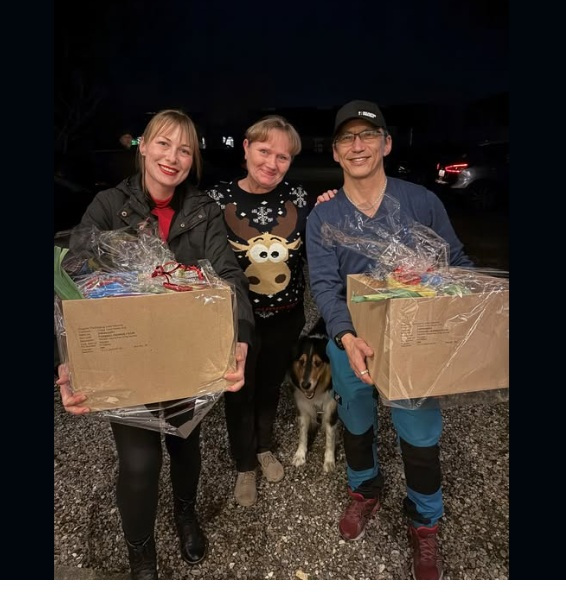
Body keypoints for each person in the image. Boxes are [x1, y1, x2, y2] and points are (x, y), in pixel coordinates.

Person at [56, 109, 255, 579]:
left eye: (185, 149)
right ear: (142, 147)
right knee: (140, 462)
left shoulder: (203, 210)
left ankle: (185, 514)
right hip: (127, 357)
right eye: (163, 144)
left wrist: (240, 338)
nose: (173, 157)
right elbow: (72, 281)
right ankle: (141, 554)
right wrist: (67, 362)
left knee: (186, 446)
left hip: (188, 354)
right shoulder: (108, 205)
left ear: (193, 160)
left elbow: (229, 277)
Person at [305, 100, 474, 580]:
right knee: (356, 419)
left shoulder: (421, 202)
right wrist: (345, 336)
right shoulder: (324, 216)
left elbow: (456, 263)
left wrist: (452, 288)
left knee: (419, 431)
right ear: (335, 151)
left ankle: (425, 520)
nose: (357, 146)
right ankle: (364, 490)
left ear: (387, 144)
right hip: (350, 341)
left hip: (413, 342)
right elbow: (324, 285)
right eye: (346, 138)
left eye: (368, 135)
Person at [206, 115, 313, 507]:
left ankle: (264, 445)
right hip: (236, 322)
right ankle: (244, 463)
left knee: (269, 386)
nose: (272, 163)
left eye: (283, 157)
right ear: (247, 148)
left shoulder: (301, 198)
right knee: (239, 389)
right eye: (265, 151)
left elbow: (324, 236)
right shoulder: (216, 200)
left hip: (286, 315)